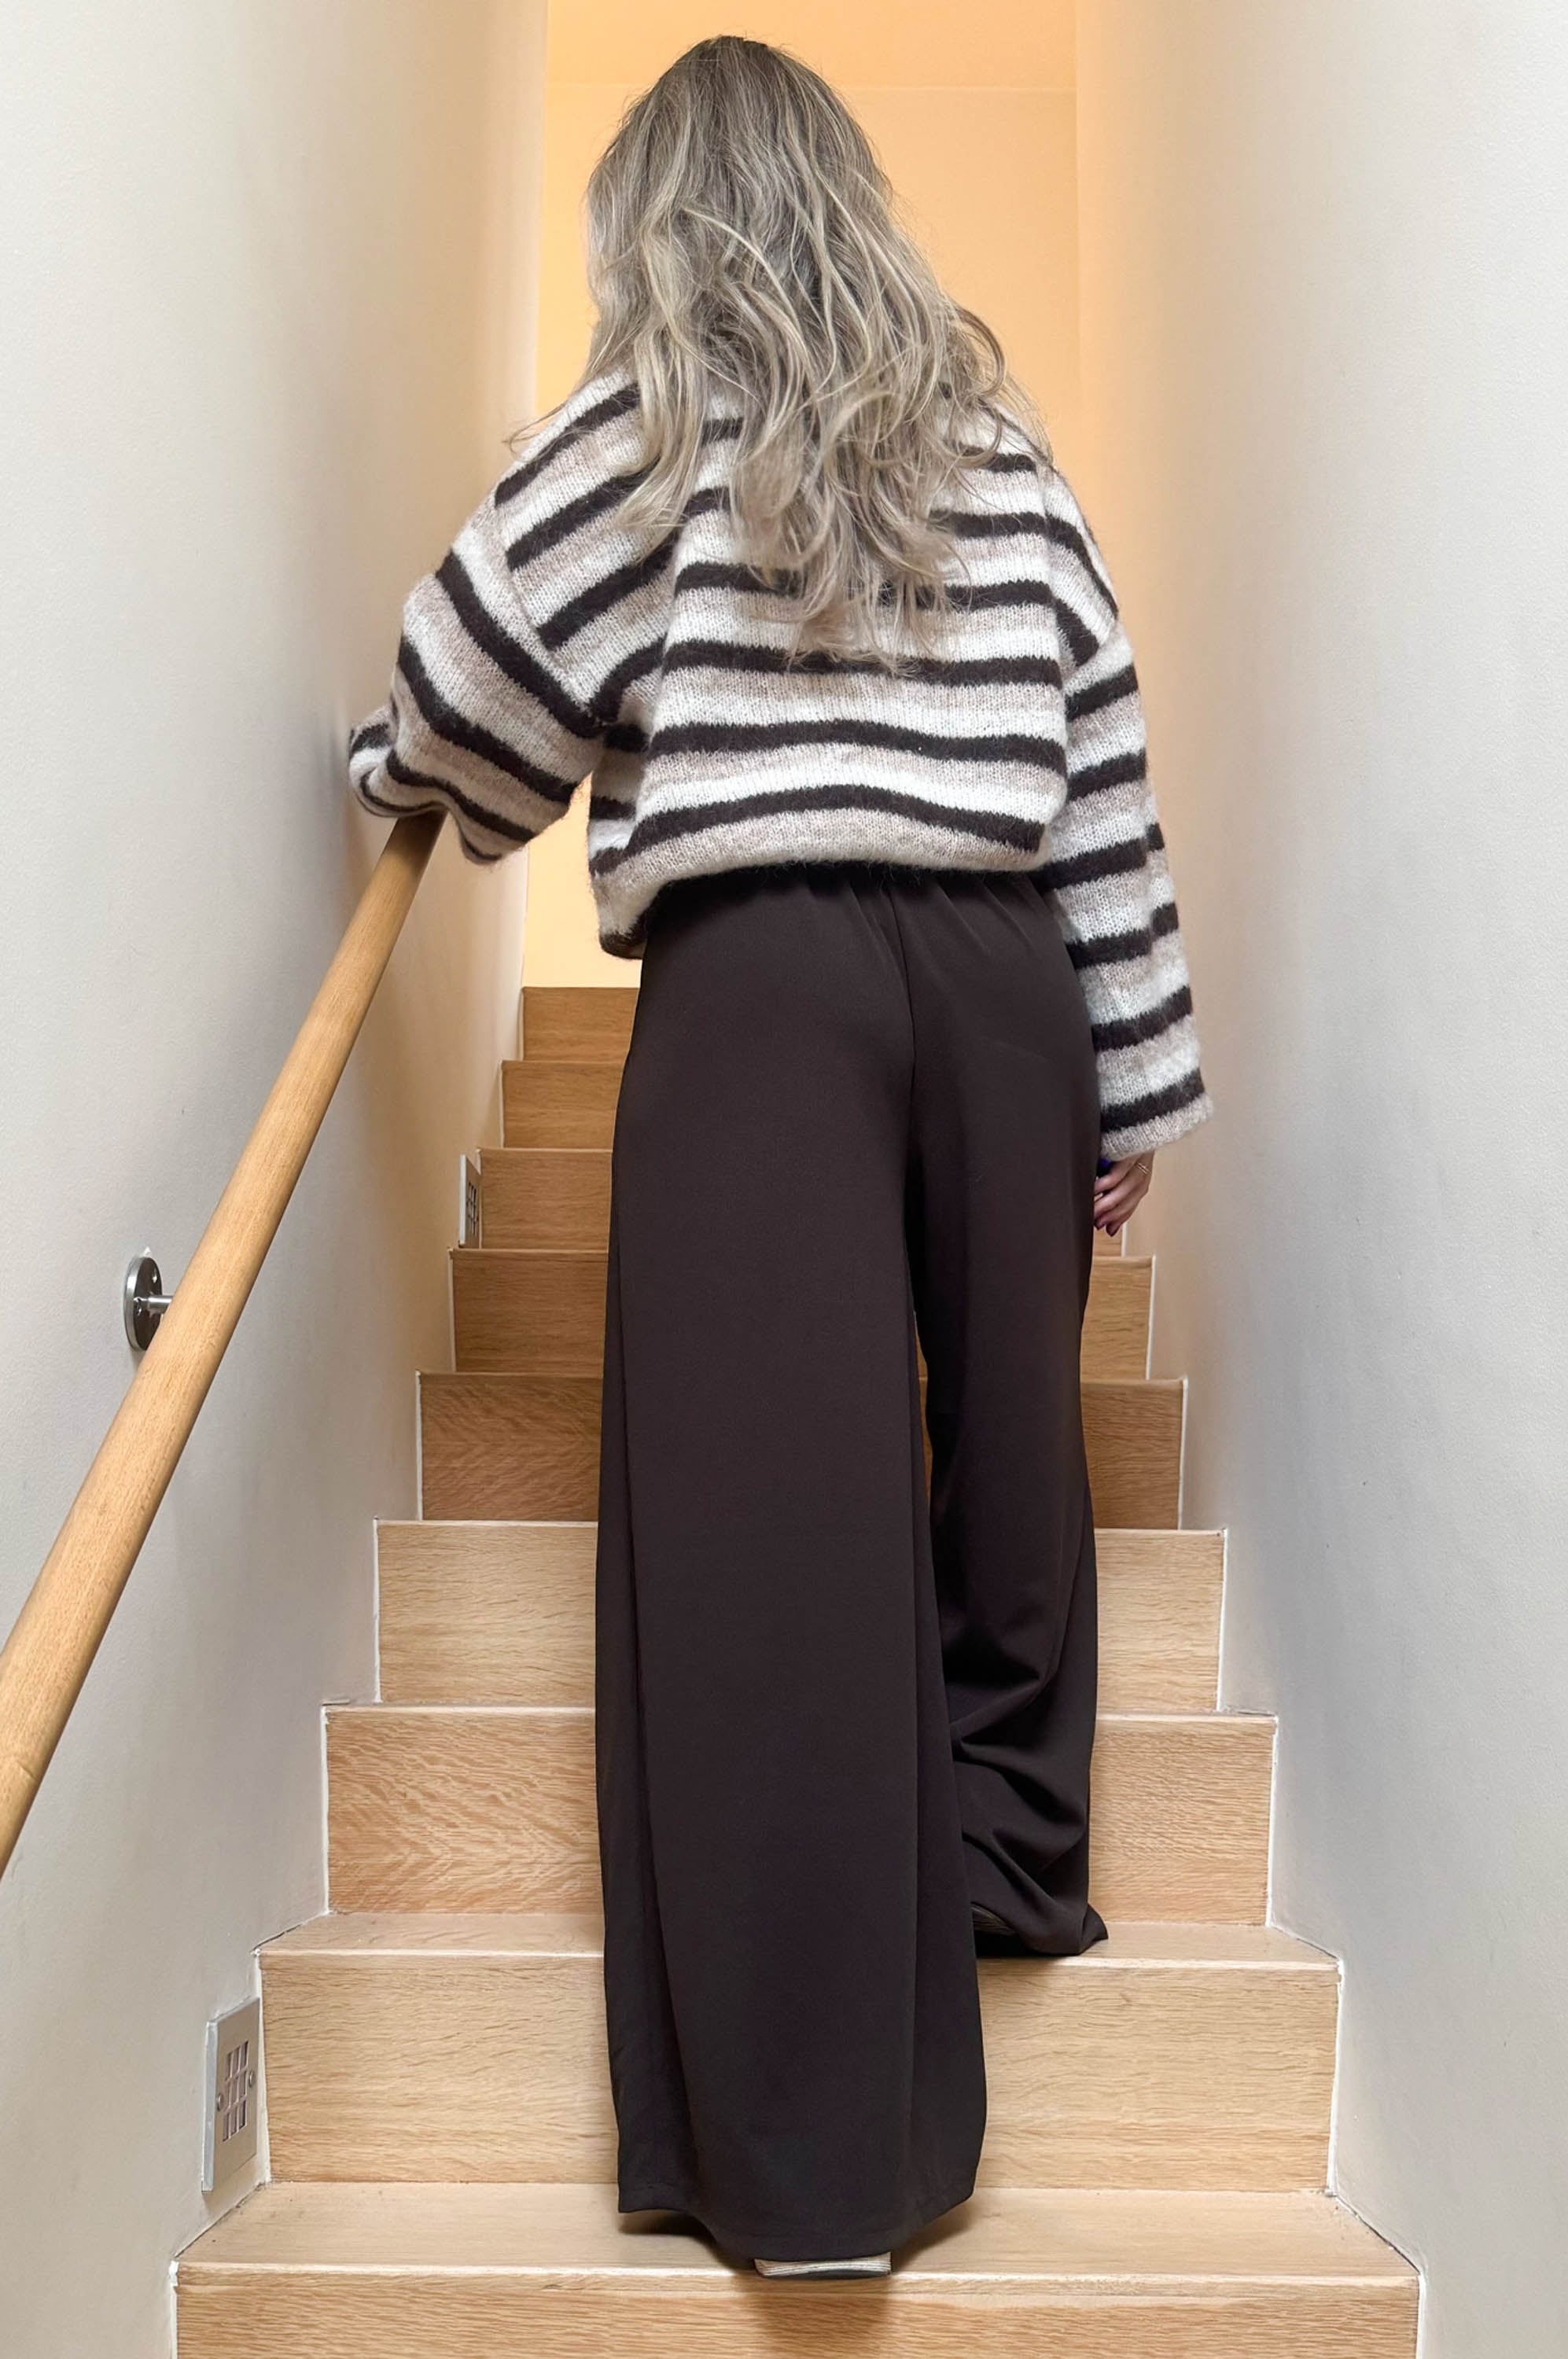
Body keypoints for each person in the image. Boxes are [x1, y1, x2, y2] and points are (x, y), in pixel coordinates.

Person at [349, 34, 1211, 2280]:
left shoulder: (645, 434)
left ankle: (820, 2150)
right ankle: (1003, 1860)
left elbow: (465, 684)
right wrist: (1130, 1071)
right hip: (1007, 972)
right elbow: (1102, 763)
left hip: (770, 985)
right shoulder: (997, 447)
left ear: (656, 222)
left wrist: (398, 775)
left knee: (775, 1520)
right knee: (1011, 1448)